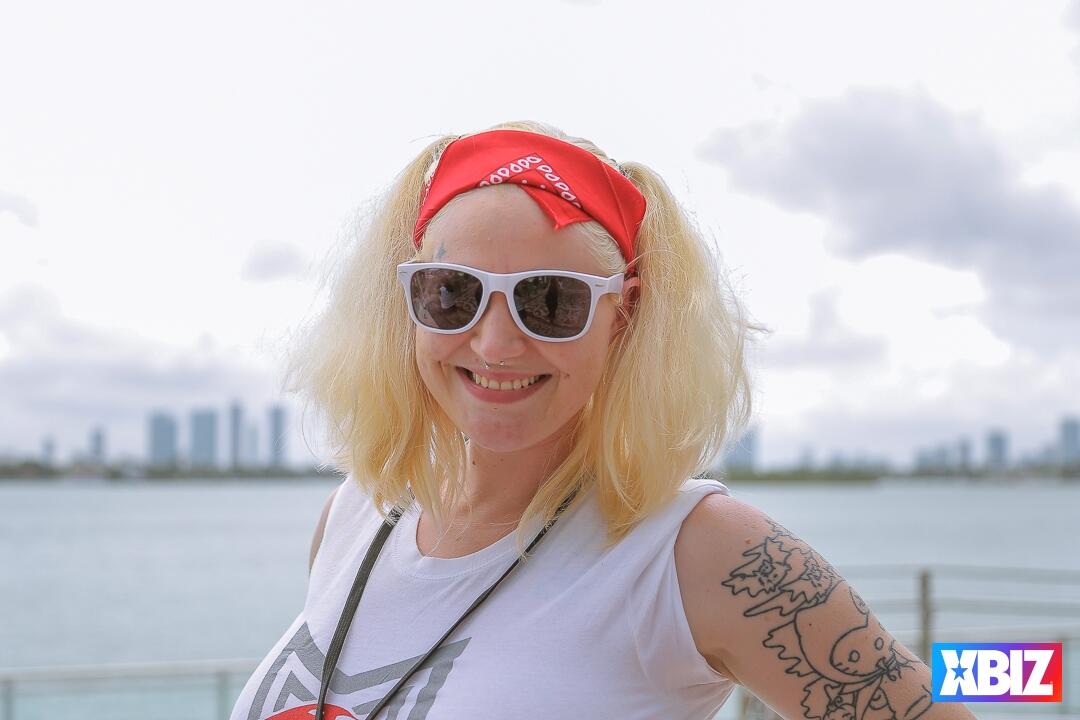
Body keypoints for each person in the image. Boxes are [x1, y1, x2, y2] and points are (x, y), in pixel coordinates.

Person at [230, 122, 972, 720]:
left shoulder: (695, 553)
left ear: (624, 316)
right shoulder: (355, 517)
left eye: (550, 300)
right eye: (452, 293)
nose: (494, 343)